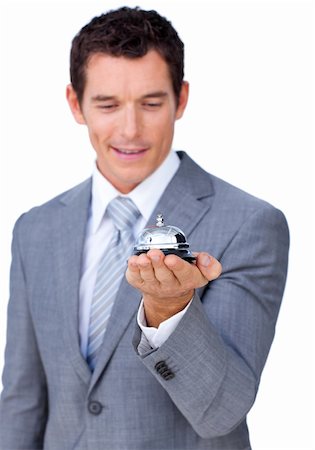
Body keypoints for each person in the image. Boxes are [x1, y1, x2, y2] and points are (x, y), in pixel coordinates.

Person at [0, 6, 289, 450]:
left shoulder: (250, 224)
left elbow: (224, 411)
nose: (130, 129)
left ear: (182, 99)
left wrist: (170, 311)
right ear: (76, 105)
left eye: (152, 103)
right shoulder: (35, 229)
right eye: (108, 104)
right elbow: (23, 402)